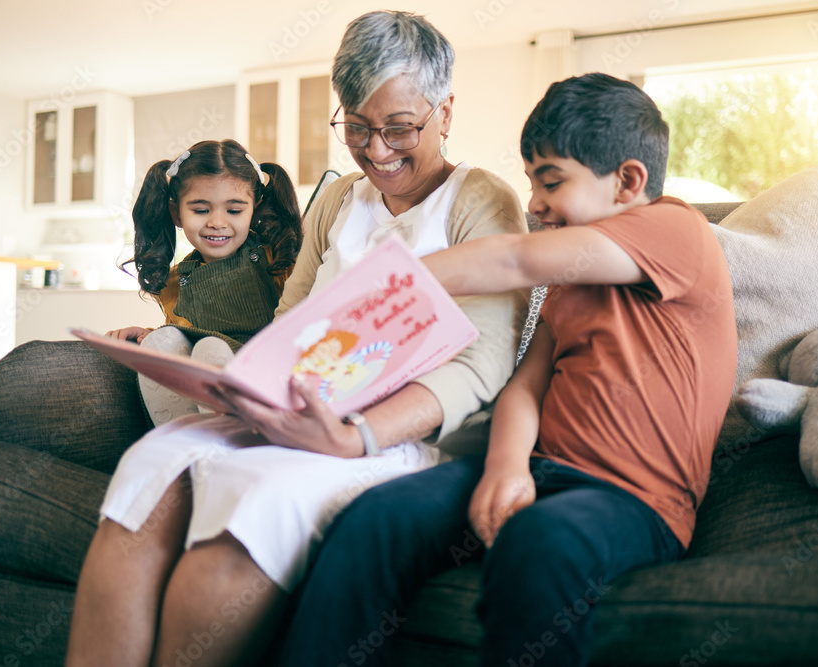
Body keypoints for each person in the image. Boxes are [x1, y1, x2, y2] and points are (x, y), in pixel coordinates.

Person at [64, 10, 527, 667]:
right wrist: (247, 386)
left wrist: (354, 436)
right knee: (148, 479)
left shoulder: (479, 199)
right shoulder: (339, 204)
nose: (376, 150)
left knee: (249, 510)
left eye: (399, 127)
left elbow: (482, 362)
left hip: (398, 434)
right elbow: (291, 321)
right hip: (297, 407)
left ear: (445, 112)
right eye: (358, 127)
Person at [277, 73, 739, 667]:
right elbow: (527, 385)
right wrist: (505, 469)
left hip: (636, 501)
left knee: (539, 542)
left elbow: (513, 257)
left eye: (552, 182)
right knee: (375, 518)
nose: (536, 204)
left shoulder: (678, 231)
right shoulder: (571, 281)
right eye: (531, 183)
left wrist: (379, 290)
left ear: (628, 181)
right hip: (541, 470)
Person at [105, 139, 302, 426]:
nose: (217, 222)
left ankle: (235, 446)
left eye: (234, 211)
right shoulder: (173, 284)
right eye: (201, 210)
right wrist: (148, 335)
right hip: (204, 399)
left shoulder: (280, 262)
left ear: (254, 209)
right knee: (163, 341)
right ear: (177, 213)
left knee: (211, 349)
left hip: (268, 387)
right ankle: (188, 450)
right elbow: (184, 337)